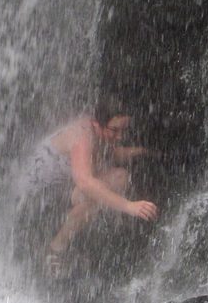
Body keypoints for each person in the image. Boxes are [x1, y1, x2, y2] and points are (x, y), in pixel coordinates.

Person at [16, 95, 158, 279]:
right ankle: (54, 251)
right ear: (97, 124)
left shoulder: (93, 131)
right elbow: (85, 182)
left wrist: (142, 151)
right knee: (97, 193)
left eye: (123, 130)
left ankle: (72, 239)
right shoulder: (82, 136)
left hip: (53, 192)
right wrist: (129, 206)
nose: (120, 136)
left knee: (118, 178)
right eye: (114, 130)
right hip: (34, 200)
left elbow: (107, 156)